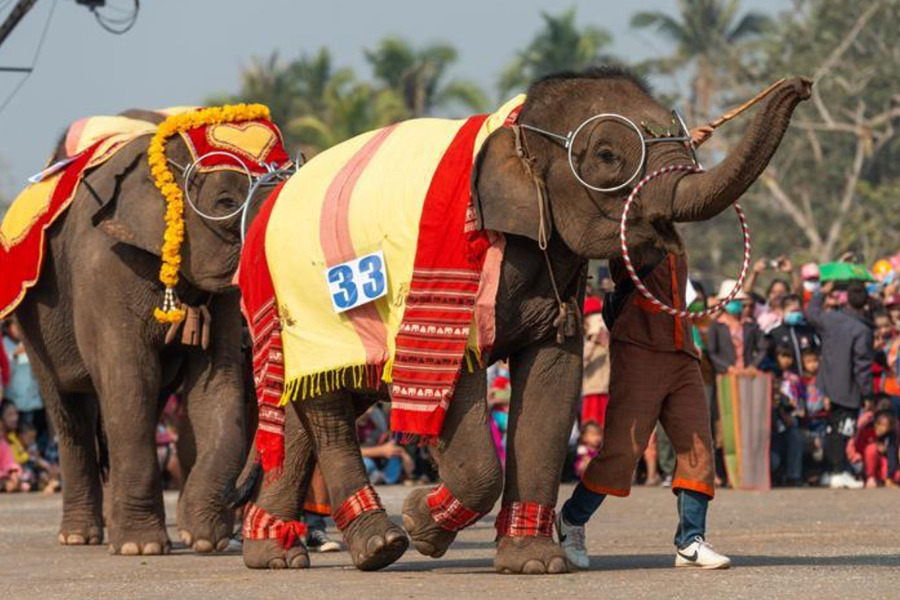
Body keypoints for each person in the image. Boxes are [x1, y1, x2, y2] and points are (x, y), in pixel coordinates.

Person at [558, 125, 730, 571]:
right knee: (621, 452)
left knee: (698, 449)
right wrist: (683, 145)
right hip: (640, 350)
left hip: (682, 353)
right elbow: (646, 178)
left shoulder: (673, 228)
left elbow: (690, 187)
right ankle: (572, 520)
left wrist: (691, 145)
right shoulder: (626, 224)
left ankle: (690, 541)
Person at [806, 280, 872, 489]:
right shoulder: (862, 330)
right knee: (843, 431)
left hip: (827, 383)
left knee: (833, 429)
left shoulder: (831, 319)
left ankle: (831, 471)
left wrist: (820, 293)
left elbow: (811, 312)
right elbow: (861, 366)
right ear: (865, 303)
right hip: (849, 387)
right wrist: (867, 392)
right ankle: (838, 471)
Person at [706, 281, 767, 375]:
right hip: (725, 376)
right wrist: (728, 368)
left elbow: (762, 348)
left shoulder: (751, 324)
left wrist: (753, 366)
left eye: (737, 300)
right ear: (723, 302)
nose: (734, 303)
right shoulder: (716, 325)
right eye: (731, 300)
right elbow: (712, 353)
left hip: (749, 375)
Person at [1, 320, 46, 446]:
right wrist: (14, 356)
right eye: (16, 326)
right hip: (13, 402)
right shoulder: (4, 344)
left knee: (30, 436)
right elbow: (6, 372)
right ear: (9, 327)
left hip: (31, 400)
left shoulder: (28, 343)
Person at [770, 345, 805, 486]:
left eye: (788, 357)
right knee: (774, 461)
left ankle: (793, 476)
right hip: (771, 428)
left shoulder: (793, 379)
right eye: (782, 356)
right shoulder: (769, 378)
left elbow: (797, 404)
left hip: (788, 423)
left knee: (795, 435)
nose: (786, 360)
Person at [766, 294, 820, 374]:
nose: (796, 314)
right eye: (792, 311)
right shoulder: (774, 333)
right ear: (782, 311)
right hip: (785, 379)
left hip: (807, 377)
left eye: (798, 311)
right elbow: (767, 356)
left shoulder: (808, 329)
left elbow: (817, 351)